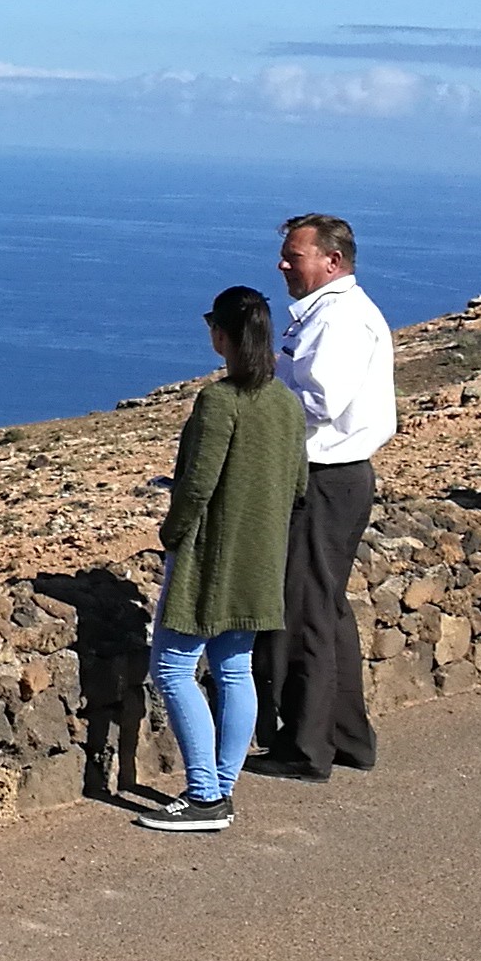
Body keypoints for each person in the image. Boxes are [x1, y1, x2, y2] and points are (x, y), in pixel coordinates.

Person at [141, 287, 306, 831]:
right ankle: (222, 789)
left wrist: (172, 532)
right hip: (262, 555)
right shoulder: (285, 401)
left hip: (212, 556)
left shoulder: (219, 401)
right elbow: (298, 481)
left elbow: (198, 486)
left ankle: (205, 795)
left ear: (224, 335)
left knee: (173, 665)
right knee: (235, 669)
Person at [252, 212, 394, 779]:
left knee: (304, 611)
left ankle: (307, 748)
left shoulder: (337, 320)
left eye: (295, 254)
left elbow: (319, 401)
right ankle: (346, 737)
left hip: (323, 476)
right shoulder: (335, 315)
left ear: (331, 262)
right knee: (327, 609)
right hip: (337, 477)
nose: (283, 264)